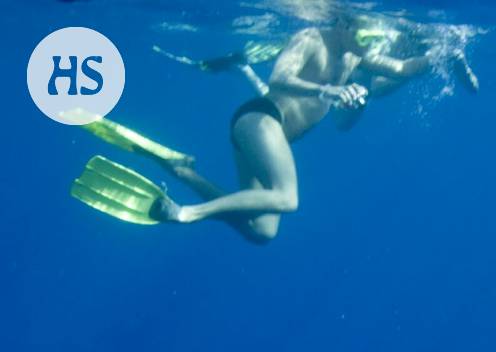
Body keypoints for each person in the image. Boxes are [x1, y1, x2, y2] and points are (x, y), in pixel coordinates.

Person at [72, 13, 437, 243]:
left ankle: (182, 170)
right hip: (260, 119)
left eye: (373, 40)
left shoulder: (358, 56)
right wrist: (327, 88)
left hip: (264, 133)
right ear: (342, 24)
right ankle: (186, 213)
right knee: (288, 198)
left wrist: (441, 53)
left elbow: (404, 70)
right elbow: (280, 77)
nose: (367, 45)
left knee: (262, 231)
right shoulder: (312, 38)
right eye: (363, 36)